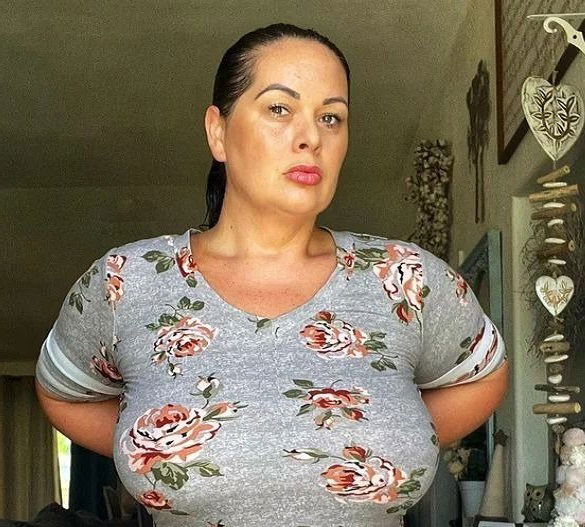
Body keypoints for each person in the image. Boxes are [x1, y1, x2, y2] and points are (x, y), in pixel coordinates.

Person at [35, 22, 509, 527]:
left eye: (331, 117)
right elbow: (63, 393)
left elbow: (484, 377)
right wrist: (149, 442)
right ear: (218, 131)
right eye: (280, 109)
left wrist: (399, 432)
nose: (311, 138)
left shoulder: (407, 278)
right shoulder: (125, 282)